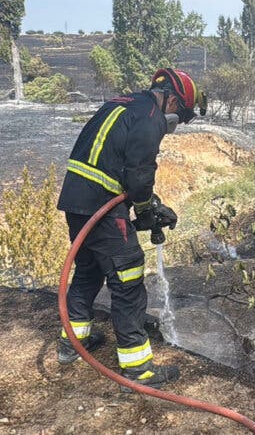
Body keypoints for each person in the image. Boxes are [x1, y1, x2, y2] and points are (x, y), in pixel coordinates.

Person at [56, 68, 206, 390]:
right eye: (180, 114)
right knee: (128, 278)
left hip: (76, 201)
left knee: (88, 270)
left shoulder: (123, 103)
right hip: (102, 205)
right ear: (172, 100)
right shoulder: (152, 117)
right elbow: (139, 176)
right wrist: (145, 209)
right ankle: (137, 371)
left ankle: (72, 344)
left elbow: (119, 165)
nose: (176, 121)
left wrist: (146, 204)